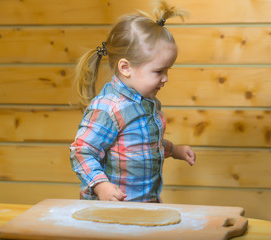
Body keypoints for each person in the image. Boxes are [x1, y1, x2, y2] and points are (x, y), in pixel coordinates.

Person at [70, 1, 196, 203]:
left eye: (167, 70)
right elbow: (82, 151)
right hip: (113, 208)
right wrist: (100, 185)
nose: (165, 78)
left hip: (145, 202)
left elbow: (142, 144)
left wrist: (174, 150)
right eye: (158, 71)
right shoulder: (109, 107)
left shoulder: (147, 102)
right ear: (126, 68)